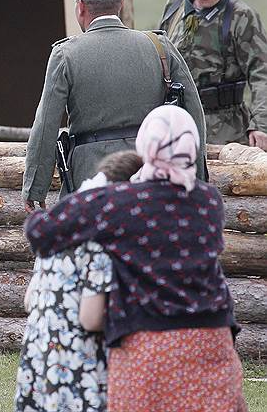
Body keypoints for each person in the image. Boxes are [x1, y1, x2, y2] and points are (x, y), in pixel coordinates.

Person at [25, 105, 247, 412]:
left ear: (145, 146)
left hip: (147, 343)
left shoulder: (119, 203)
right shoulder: (209, 201)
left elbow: (40, 231)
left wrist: (98, 184)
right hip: (212, 339)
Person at [23, 0, 207, 212]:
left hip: (90, 178)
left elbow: (46, 125)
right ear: (120, 3)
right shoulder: (159, 46)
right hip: (152, 175)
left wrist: (35, 187)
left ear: (80, 7)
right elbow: (193, 114)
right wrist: (197, 180)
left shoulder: (65, 55)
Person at [16, 149, 142, 412]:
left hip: (39, 354)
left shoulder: (55, 230)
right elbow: (90, 318)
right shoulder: (100, 241)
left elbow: (29, 300)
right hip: (78, 360)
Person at [160, 0, 267, 150]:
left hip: (226, 130)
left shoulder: (241, 17)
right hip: (179, 123)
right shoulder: (175, 5)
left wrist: (261, 125)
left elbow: (262, 74)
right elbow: (160, 57)